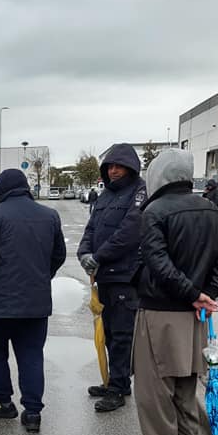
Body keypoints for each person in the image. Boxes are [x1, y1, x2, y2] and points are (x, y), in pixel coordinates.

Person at [131, 149, 218, 435]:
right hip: (196, 317)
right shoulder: (211, 210)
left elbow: (157, 262)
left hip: (160, 311)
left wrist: (193, 294)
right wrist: (206, 295)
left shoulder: (154, 211)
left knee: (154, 385)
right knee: (187, 380)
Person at [0, 170, 66, 432]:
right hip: (35, 304)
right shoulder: (49, 215)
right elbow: (58, 256)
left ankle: (3, 402)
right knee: (32, 355)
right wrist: (41, 277)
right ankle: (32, 413)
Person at [76, 143, 145, 412]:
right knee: (107, 332)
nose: (114, 171)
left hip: (124, 278)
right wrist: (84, 253)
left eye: (119, 166)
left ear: (130, 167)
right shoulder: (105, 196)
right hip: (104, 277)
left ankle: (118, 387)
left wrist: (99, 256)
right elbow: (91, 228)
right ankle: (113, 381)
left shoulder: (138, 192)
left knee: (121, 334)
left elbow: (129, 232)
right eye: (110, 167)